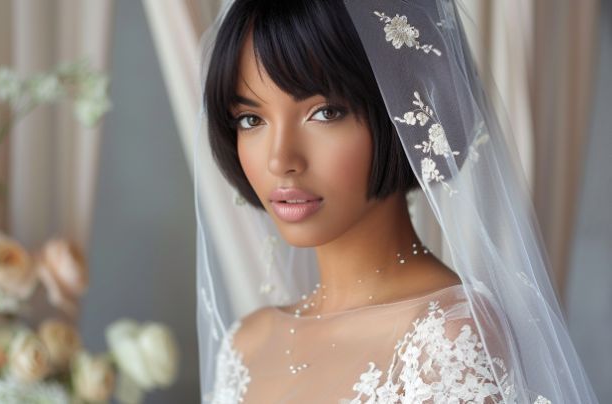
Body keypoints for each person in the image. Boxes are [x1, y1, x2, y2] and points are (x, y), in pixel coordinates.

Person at [194, 0, 600, 403]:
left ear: (402, 110)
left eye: (325, 113)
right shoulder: (247, 344)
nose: (280, 159)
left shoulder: (449, 340)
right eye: (251, 119)